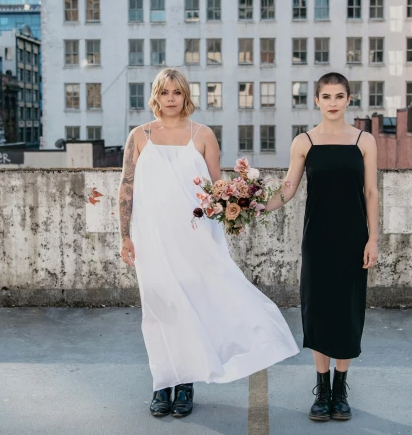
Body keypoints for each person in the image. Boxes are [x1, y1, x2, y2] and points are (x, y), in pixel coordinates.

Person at [118, 68, 299, 419]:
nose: (171, 98)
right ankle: (162, 382)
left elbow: (217, 187)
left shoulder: (202, 135)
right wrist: (124, 234)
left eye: (177, 92)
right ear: (156, 96)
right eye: (165, 91)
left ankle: (186, 382)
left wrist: (239, 206)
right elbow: (127, 186)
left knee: (193, 306)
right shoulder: (139, 136)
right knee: (158, 310)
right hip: (152, 237)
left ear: (186, 96)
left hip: (196, 237)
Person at [265, 72, 379, 422]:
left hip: (353, 239)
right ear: (316, 100)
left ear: (348, 100)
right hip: (317, 240)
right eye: (326, 96)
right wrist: (253, 204)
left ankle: (340, 389)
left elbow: (371, 192)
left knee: (346, 310)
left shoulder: (364, 141)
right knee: (317, 310)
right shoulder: (305, 142)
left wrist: (373, 238)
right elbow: (288, 189)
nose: (332, 103)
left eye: (339, 96)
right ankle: (322, 388)